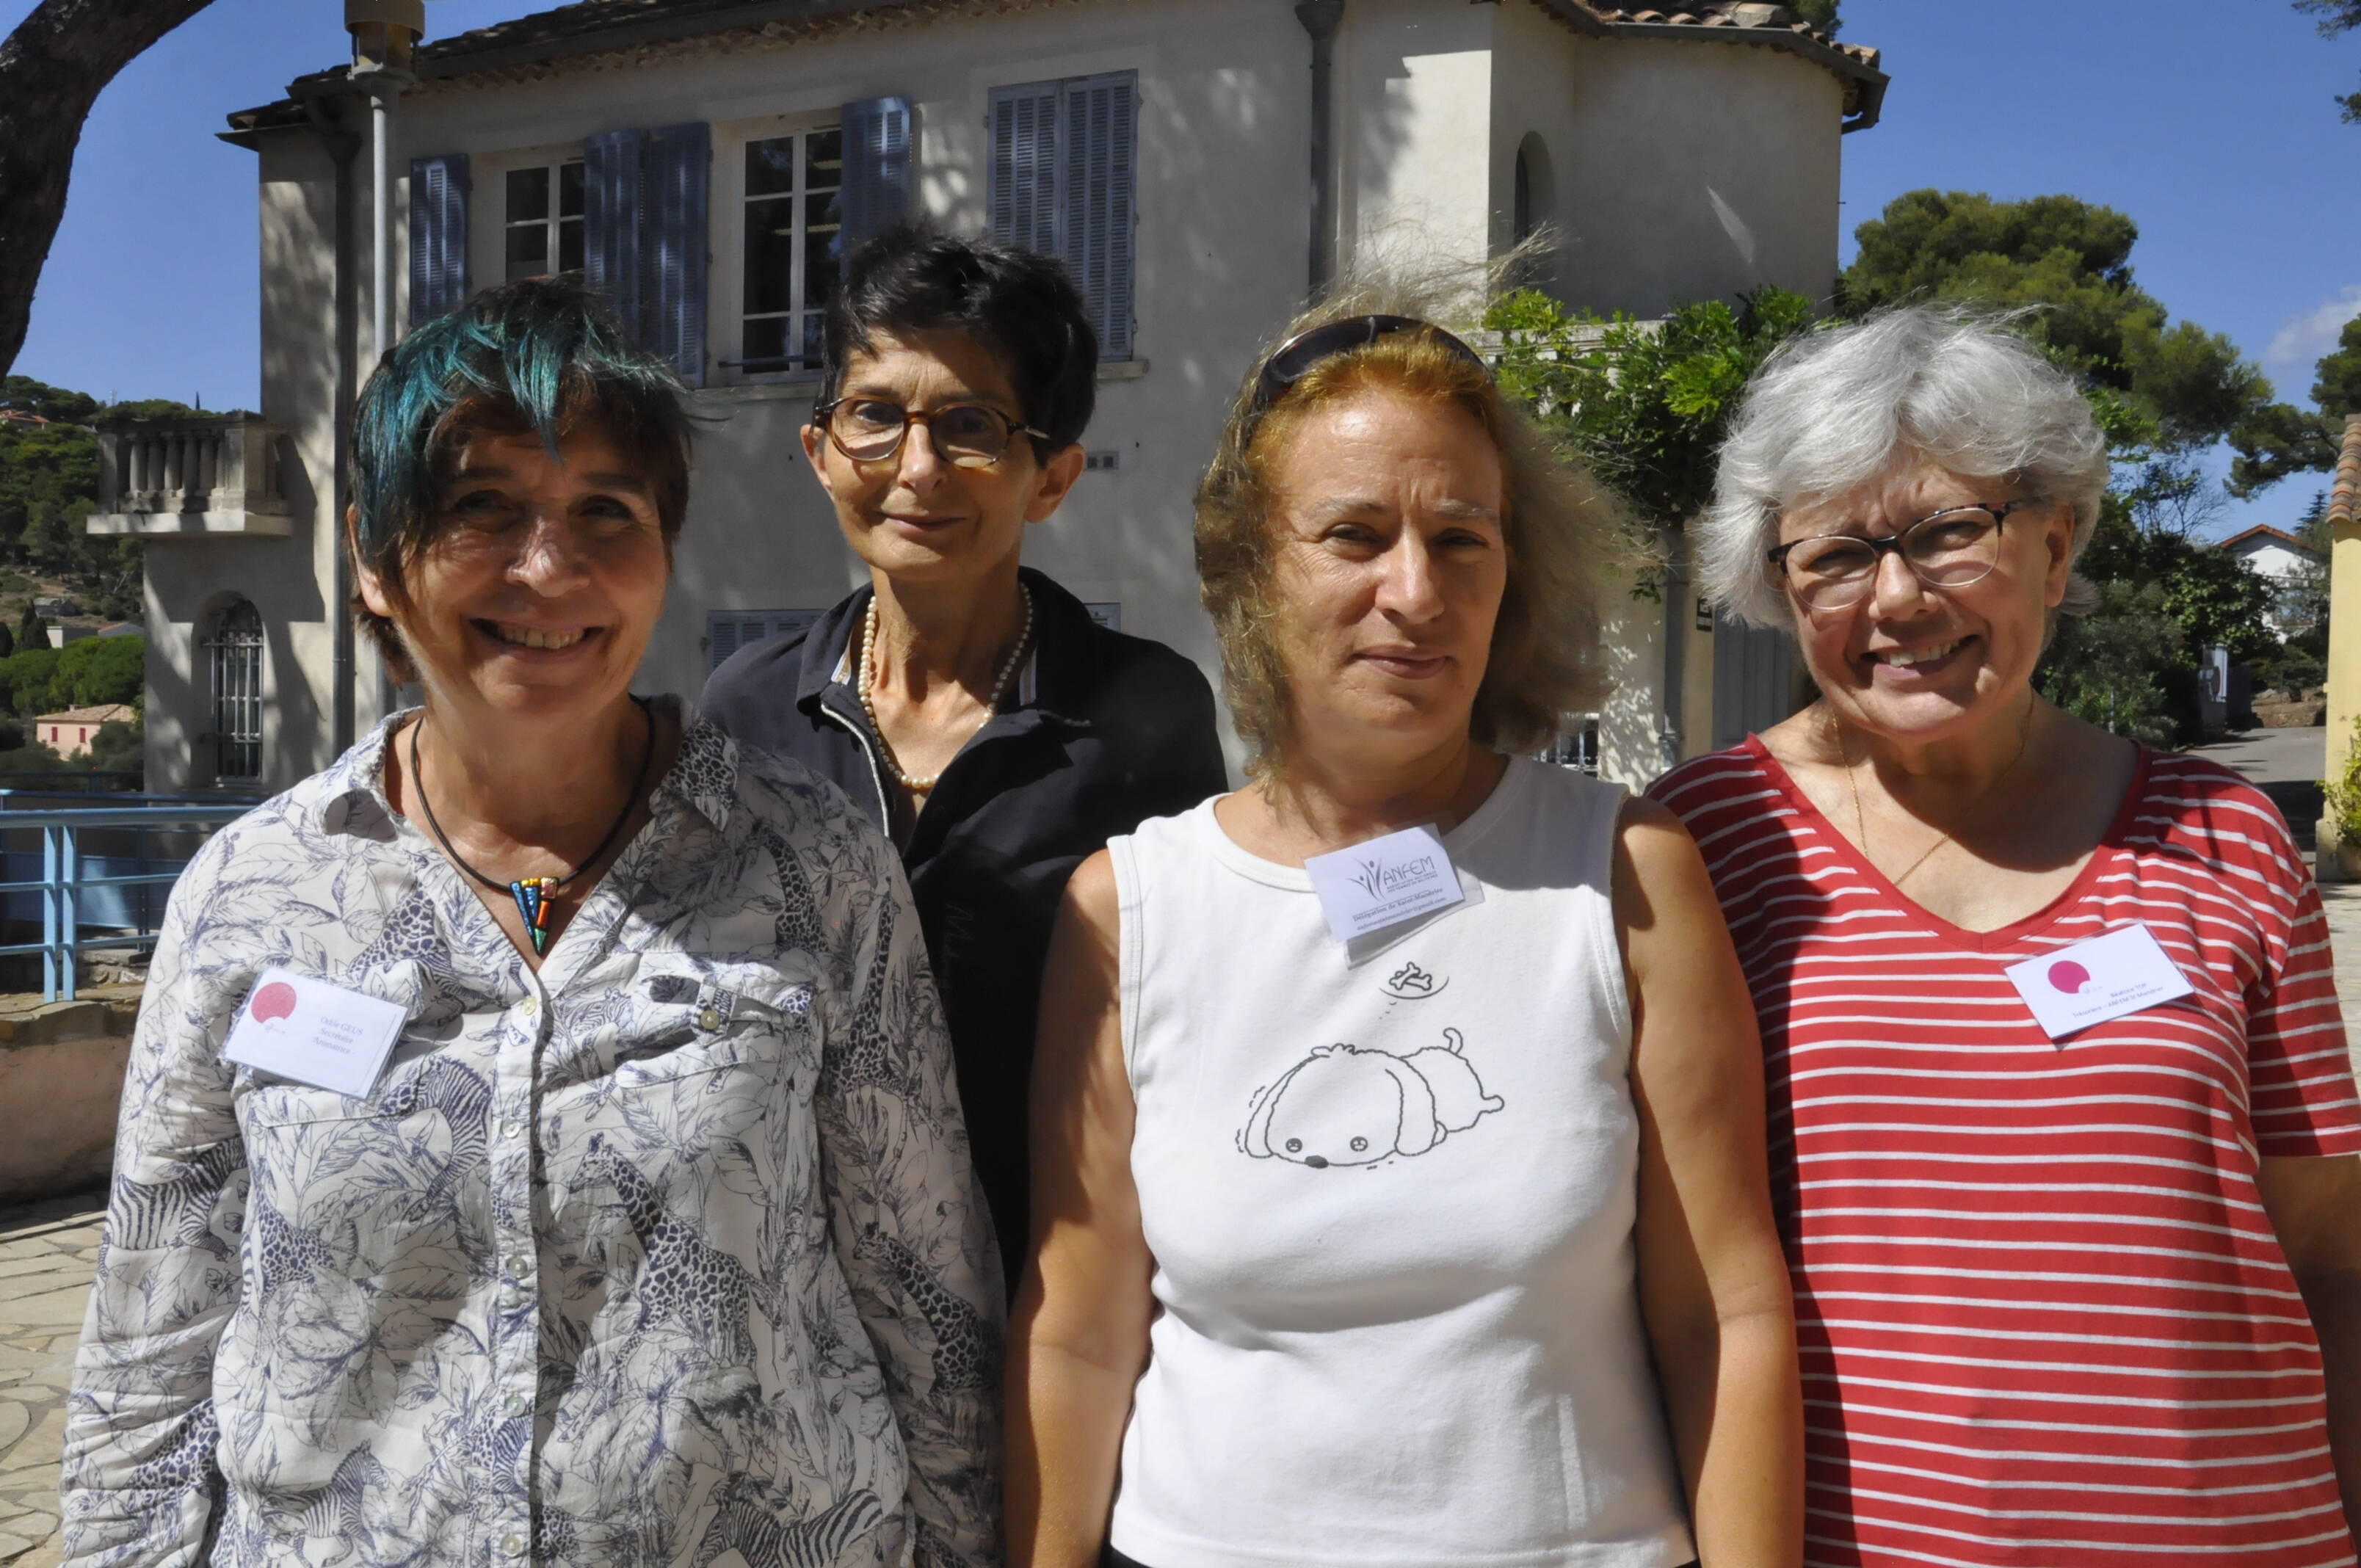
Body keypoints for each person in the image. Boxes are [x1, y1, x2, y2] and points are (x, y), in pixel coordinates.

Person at [59, 278, 1001, 1568]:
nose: (548, 570)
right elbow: (148, 1346)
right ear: (377, 562)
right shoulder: (249, 893)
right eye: (482, 510)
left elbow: (928, 1294)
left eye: (605, 513)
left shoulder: (814, 861)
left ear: (663, 556)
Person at [1008, 300, 1803, 1568]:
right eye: (1354, 536)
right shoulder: (1131, 907)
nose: (1415, 592)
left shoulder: (1627, 874)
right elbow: (1080, 1337)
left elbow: (1727, 1316)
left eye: (1461, 539)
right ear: (1256, 572)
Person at [1651, 303, 2361, 1566]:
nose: (1901, 597)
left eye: (1948, 532)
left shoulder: (2224, 836)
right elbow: (1675, 1291)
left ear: (2054, 539)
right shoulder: (1697, 847)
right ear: (1776, 584)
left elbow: (2334, 1263)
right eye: (1837, 555)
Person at [703, 226, 1227, 1291]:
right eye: (876, 417)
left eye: (973, 426)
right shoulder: (747, 707)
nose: (919, 468)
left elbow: (1196, 1026)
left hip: (1055, 1290)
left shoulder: (1141, 715)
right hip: (792, 1297)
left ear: (1053, 476)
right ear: (819, 451)